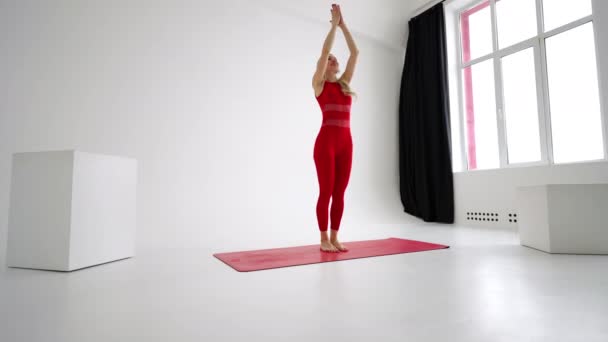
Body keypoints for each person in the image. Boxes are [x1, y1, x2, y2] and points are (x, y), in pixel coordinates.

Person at [312, 4, 359, 253]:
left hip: (345, 144)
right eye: (329, 59)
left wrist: (344, 26)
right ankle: (322, 239)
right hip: (326, 145)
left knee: (340, 192)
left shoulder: (344, 84)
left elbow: (355, 53)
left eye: (333, 59)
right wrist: (333, 25)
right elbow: (325, 50)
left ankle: (335, 236)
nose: (333, 59)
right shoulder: (319, 84)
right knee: (326, 191)